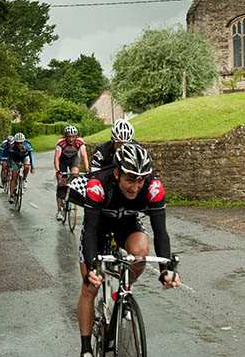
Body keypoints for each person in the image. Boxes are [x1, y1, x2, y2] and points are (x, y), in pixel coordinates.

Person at [72, 142, 180, 357]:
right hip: (99, 227)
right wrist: (93, 267)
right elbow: (91, 231)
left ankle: (121, 290)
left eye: (141, 179)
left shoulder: (153, 187)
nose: (135, 186)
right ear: (117, 173)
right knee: (90, 287)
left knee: (141, 252)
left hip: (128, 225)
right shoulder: (98, 185)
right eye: (130, 178)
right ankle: (85, 348)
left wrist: (165, 269)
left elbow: (161, 232)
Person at [54, 125, 89, 221]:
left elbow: (84, 156)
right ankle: (59, 210)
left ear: (76, 136)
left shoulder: (80, 142)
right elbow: (56, 158)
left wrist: (87, 169)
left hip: (74, 159)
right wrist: (58, 171)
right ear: (65, 136)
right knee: (61, 183)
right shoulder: (61, 143)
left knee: (75, 175)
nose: (71, 139)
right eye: (69, 136)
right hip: (63, 161)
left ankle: (72, 193)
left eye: (73, 136)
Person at [7, 132, 34, 204]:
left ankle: (24, 179)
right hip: (15, 159)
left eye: (21, 143)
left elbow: (31, 157)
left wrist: (33, 167)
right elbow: (9, 158)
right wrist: (10, 166)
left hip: (25, 157)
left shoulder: (27, 146)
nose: (19, 144)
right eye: (17, 143)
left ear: (23, 142)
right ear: (15, 142)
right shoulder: (12, 147)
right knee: (14, 176)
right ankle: (12, 195)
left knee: (27, 166)